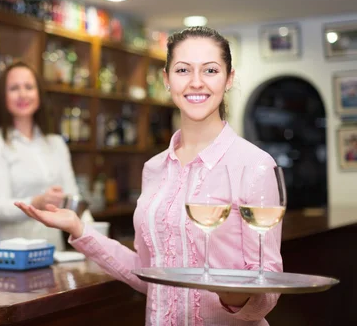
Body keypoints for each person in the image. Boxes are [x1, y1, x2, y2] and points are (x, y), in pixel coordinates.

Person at [15, 27, 283, 325]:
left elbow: (268, 293)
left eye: (210, 70)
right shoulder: (154, 168)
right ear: (167, 80)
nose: (196, 82)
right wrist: (80, 230)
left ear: (229, 78)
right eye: (183, 70)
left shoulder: (255, 165)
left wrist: (232, 294)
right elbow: (149, 275)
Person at [0, 61, 92, 251]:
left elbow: (71, 197)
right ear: (3, 96)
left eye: (29, 87)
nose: (22, 94)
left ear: (39, 94)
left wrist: (94, 233)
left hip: (51, 251)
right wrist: (36, 203)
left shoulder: (56, 143)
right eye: (14, 88)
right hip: (7, 255)